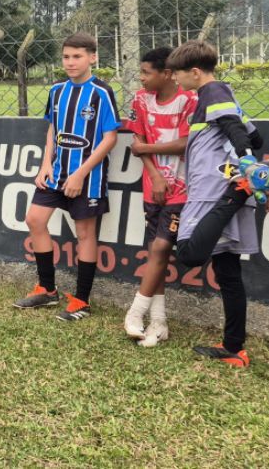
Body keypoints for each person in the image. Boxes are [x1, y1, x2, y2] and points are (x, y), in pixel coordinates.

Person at [167, 41, 263, 367]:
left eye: (177, 75)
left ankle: (239, 192)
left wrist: (247, 166)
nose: (175, 81)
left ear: (195, 72)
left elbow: (237, 131)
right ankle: (234, 347)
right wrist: (244, 152)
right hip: (222, 187)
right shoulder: (224, 95)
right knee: (228, 271)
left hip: (215, 192)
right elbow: (255, 134)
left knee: (189, 253)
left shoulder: (213, 91)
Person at [14, 32, 120, 320]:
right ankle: (47, 289)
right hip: (56, 172)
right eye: (66, 57)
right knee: (34, 220)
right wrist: (45, 164)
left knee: (84, 233)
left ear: (92, 58)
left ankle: (82, 300)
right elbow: (52, 129)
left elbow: (110, 138)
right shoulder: (57, 90)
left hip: (87, 177)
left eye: (77, 56)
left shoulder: (101, 92)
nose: (71, 62)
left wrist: (80, 174)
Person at [122, 48, 196, 347]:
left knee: (163, 245)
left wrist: (147, 150)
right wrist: (153, 175)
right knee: (156, 251)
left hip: (182, 187)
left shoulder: (189, 101)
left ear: (167, 74)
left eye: (146, 72)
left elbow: (185, 144)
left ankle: (135, 311)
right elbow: (136, 138)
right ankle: (159, 323)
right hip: (153, 186)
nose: (141, 77)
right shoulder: (141, 99)